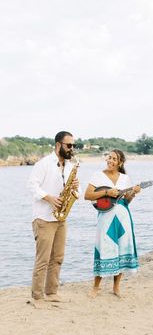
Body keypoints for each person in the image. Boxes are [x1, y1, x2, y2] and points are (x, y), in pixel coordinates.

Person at [27, 131, 80, 307]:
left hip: (61, 217)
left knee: (58, 257)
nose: (72, 149)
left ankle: (51, 292)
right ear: (58, 145)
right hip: (43, 217)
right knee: (43, 258)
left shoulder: (71, 166)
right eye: (69, 145)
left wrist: (75, 188)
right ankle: (37, 296)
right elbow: (32, 186)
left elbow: (76, 193)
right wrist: (49, 197)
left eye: (73, 145)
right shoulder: (43, 164)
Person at [84, 149, 141, 298]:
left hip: (123, 218)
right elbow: (87, 195)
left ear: (120, 162)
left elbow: (127, 201)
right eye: (109, 157)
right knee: (103, 247)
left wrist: (133, 193)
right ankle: (96, 287)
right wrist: (106, 193)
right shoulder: (98, 176)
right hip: (106, 217)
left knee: (122, 249)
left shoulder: (125, 178)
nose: (110, 160)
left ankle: (116, 287)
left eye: (114, 159)